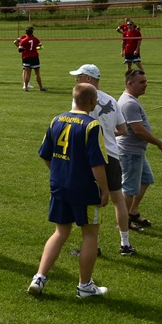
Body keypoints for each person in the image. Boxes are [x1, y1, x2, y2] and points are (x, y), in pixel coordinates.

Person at [28, 83, 110, 298]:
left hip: (60, 186)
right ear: (93, 102)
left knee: (60, 232)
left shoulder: (57, 119)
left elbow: (45, 154)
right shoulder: (92, 125)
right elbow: (97, 164)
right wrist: (104, 189)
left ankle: (39, 277)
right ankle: (85, 287)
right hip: (83, 189)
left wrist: (58, 172)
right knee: (90, 234)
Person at [70, 64, 134, 256]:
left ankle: (91, 247)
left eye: (79, 76)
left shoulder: (81, 99)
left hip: (91, 158)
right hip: (112, 156)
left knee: (90, 202)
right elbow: (123, 130)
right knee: (118, 201)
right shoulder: (112, 100)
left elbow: (78, 126)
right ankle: (125, 244)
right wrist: (107, 134)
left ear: (89, 79)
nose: (76, 80)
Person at [117, 69, 162, 232]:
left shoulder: (131, 100)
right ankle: (124, 222)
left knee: (146, 179)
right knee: (129, 189)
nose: (145, 85)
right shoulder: (129, 103)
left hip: (136, 152)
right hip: (129, 152)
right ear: (129, 83)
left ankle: (133, 212)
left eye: (145, 82)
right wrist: (160, 144)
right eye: (141, 82)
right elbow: (139, 130)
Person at [13, 26, 46, 92]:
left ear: (26, 33)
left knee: (27, 73)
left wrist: (24, 49)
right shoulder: (36, 39)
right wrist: (35, 48)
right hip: (35, 57)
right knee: (37, 74)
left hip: (26, 57)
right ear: (32, 32)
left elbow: (20, 50)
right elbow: (40, 46)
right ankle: (41, 88)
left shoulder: (23, 40)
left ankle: (26, 88)